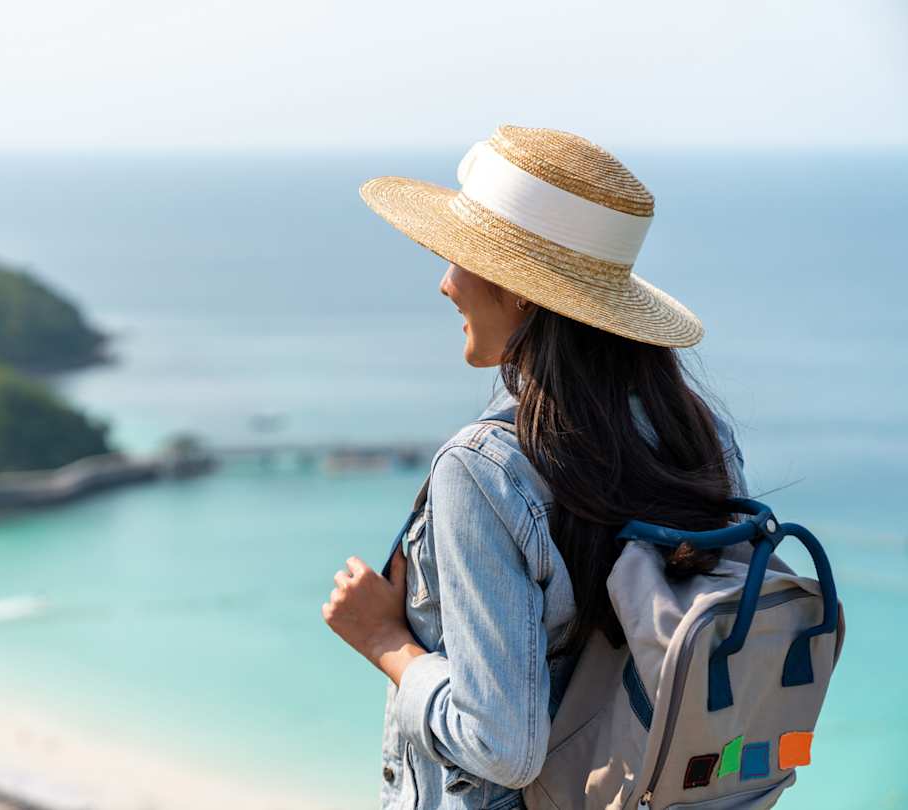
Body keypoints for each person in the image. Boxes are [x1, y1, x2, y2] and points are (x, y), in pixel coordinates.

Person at [320, 125, 750, 810]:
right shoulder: (699, 436)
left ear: (521, 292)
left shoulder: (483, 471)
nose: (444, 284)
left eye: (458, 259)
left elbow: (500, 748)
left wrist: (385, 642)